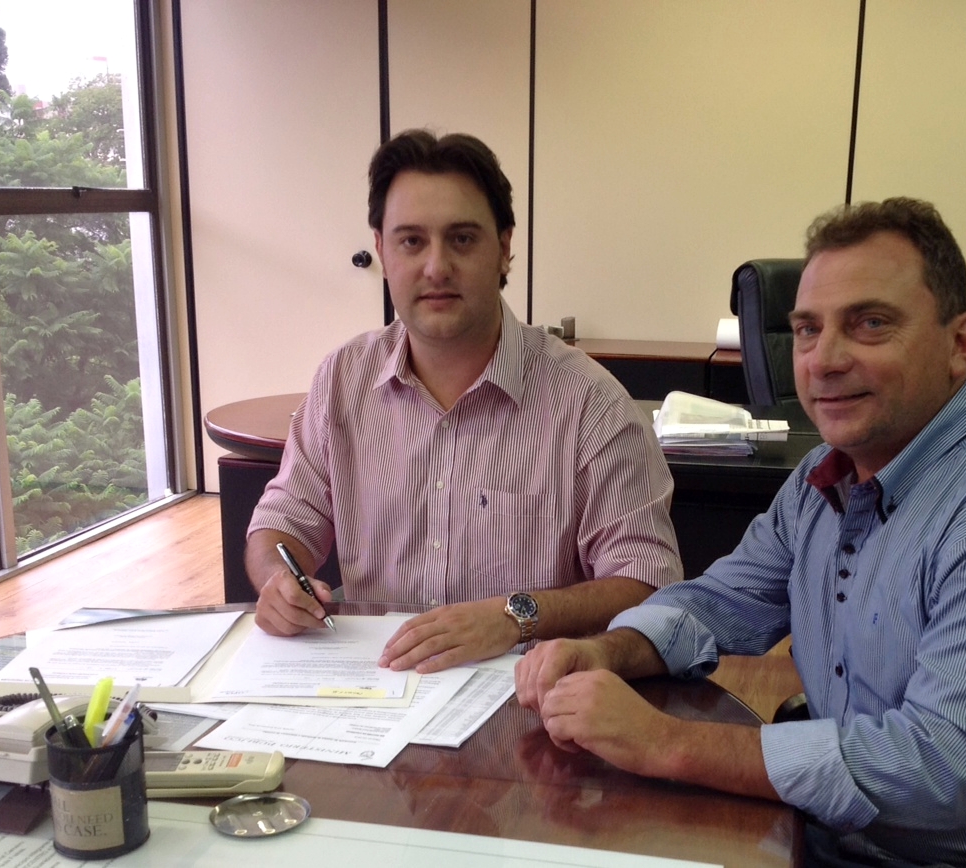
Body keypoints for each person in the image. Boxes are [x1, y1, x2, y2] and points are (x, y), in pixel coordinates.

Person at [515, 197, 966, 867]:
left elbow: (935, 770)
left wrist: (663, 742)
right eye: (806, 329)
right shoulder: (823, 478)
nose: (823, 360)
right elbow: (723, 601)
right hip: (833, 839)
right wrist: (608, 651)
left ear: (960, 343)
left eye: (870, 324)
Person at [245, 129, 681, 675]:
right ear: (382, 251)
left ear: (504, 248)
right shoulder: (342, 381)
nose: (436, 267)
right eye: (411, 241)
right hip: (375, 689)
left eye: (462, 239)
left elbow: (647, 583)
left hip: (527, 694)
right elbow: (281, 523)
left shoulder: (590, 404)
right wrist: (278, 580)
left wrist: (514, 617)